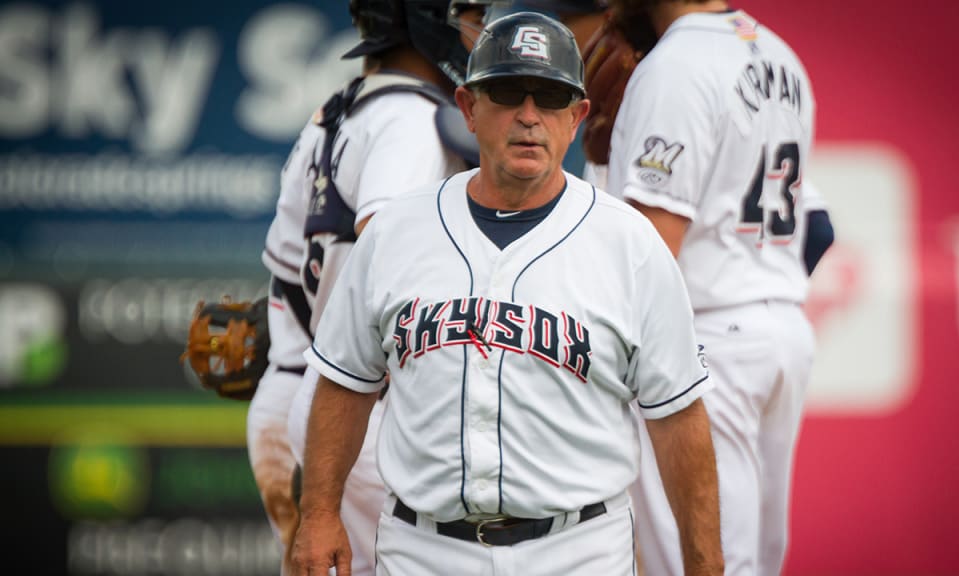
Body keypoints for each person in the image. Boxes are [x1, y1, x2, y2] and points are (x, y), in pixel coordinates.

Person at [291, 11, 723, 576]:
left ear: (577, 116)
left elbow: (679, 421)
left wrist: (705, 565)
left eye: (549, 97)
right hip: (424, 549)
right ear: (468, 108)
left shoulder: (629, 244)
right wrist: (319, 512)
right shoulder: (397, 231)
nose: (528, 116)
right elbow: (344, 382)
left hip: (579, 549)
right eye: (507, 93)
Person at [603, 1, 835, 575]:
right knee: (750, 559)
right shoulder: (783, 55)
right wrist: (757, 287)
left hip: (707, 340)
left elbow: (651, 247)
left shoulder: (676, 63)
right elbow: (819, 230)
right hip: (781, 331)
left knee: (706, 561)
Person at [252, 0, 479, 574]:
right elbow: (388, 265)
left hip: (295, 393)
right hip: (360, 418)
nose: (481, 28)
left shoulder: (336, 109)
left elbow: (285, 272)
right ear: (427, 19)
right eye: (470, 11)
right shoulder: (409, 120)